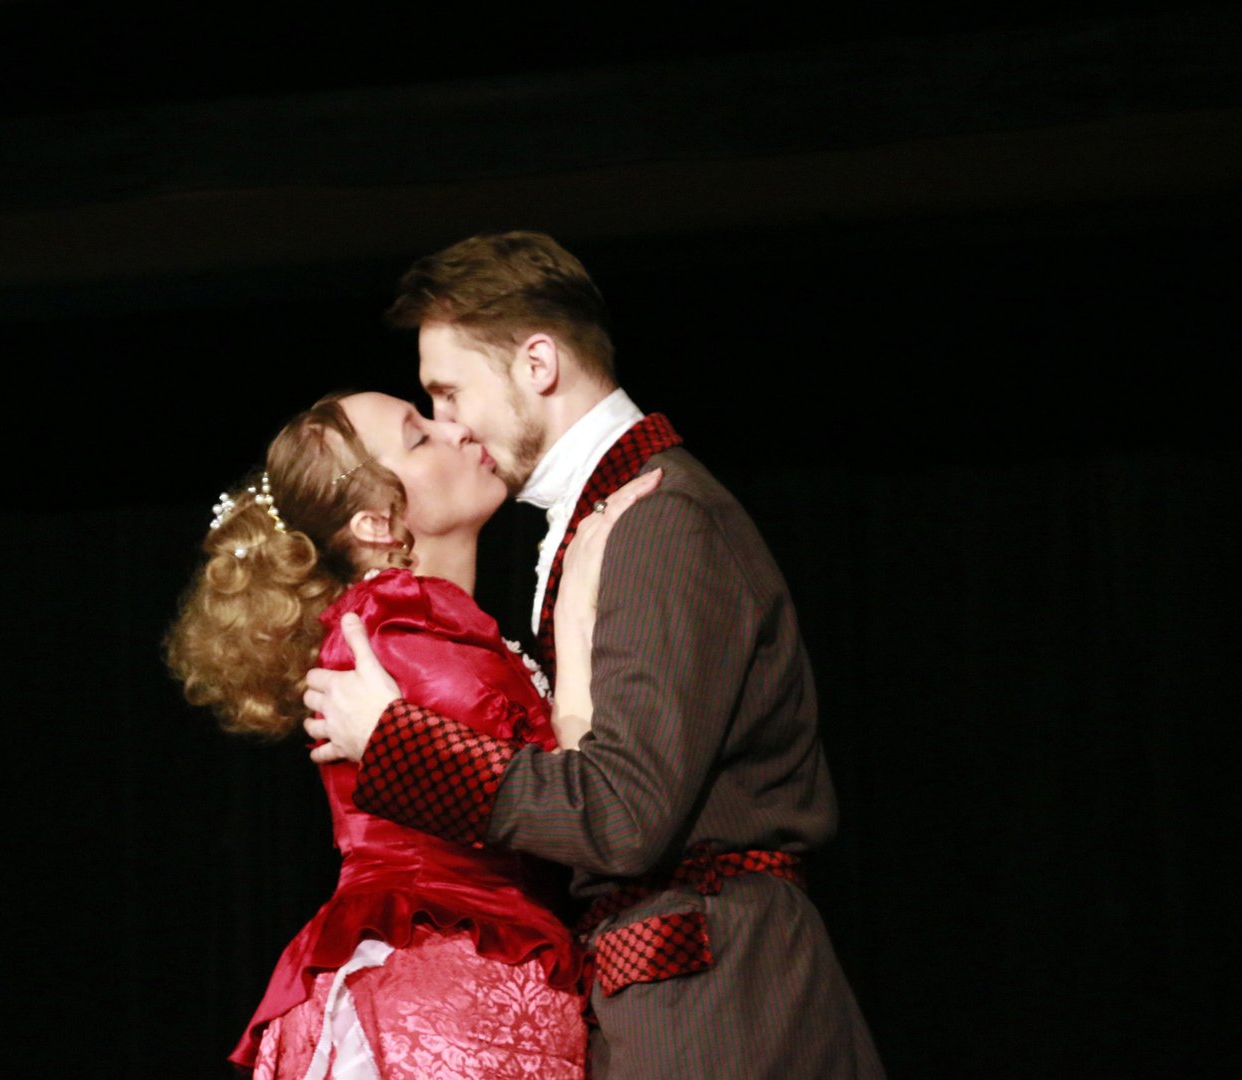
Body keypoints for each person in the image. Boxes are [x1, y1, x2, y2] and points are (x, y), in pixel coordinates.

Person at [303, 232, 885, 1079]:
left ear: (537, 364)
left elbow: (622, 814)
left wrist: (398, 742)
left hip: (716, 1003)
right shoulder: (600, 521)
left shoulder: (659, 517)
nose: (450, 424)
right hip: (662, 992)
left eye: (449, 393)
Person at [164, 389, 658, 1079]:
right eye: (419, 435)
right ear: (376, 522)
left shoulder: (439, 627)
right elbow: (570, 804)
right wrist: (577, 617)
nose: (455, 427)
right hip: (431, 996)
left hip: (486, 985)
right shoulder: (391, 630)